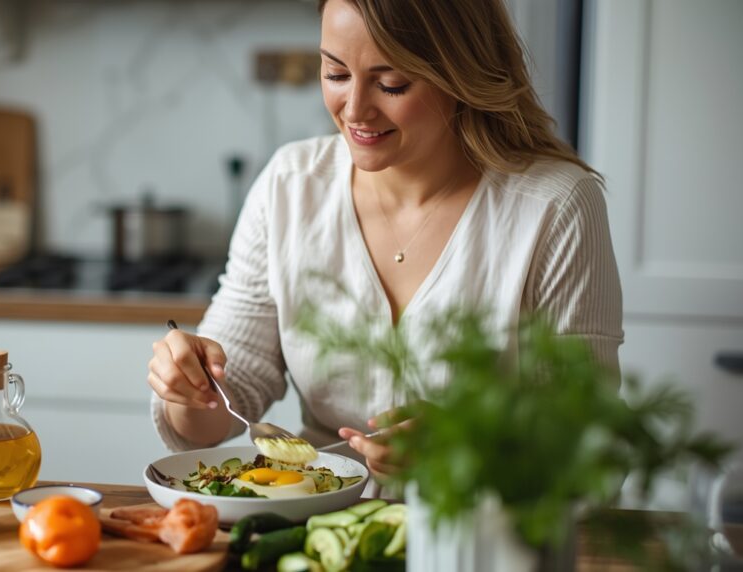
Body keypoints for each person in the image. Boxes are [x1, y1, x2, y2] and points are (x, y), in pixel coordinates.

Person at [146, 0, 623, 492]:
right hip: (318, 522)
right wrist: (190, 387)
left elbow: (591, 448)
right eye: (335, 74)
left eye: (391, 84)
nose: (354, 110)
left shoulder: (554, 206)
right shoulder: (289, 185)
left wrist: (471, 450)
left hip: (481, 523)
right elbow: (224, 402)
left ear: (462, 74)